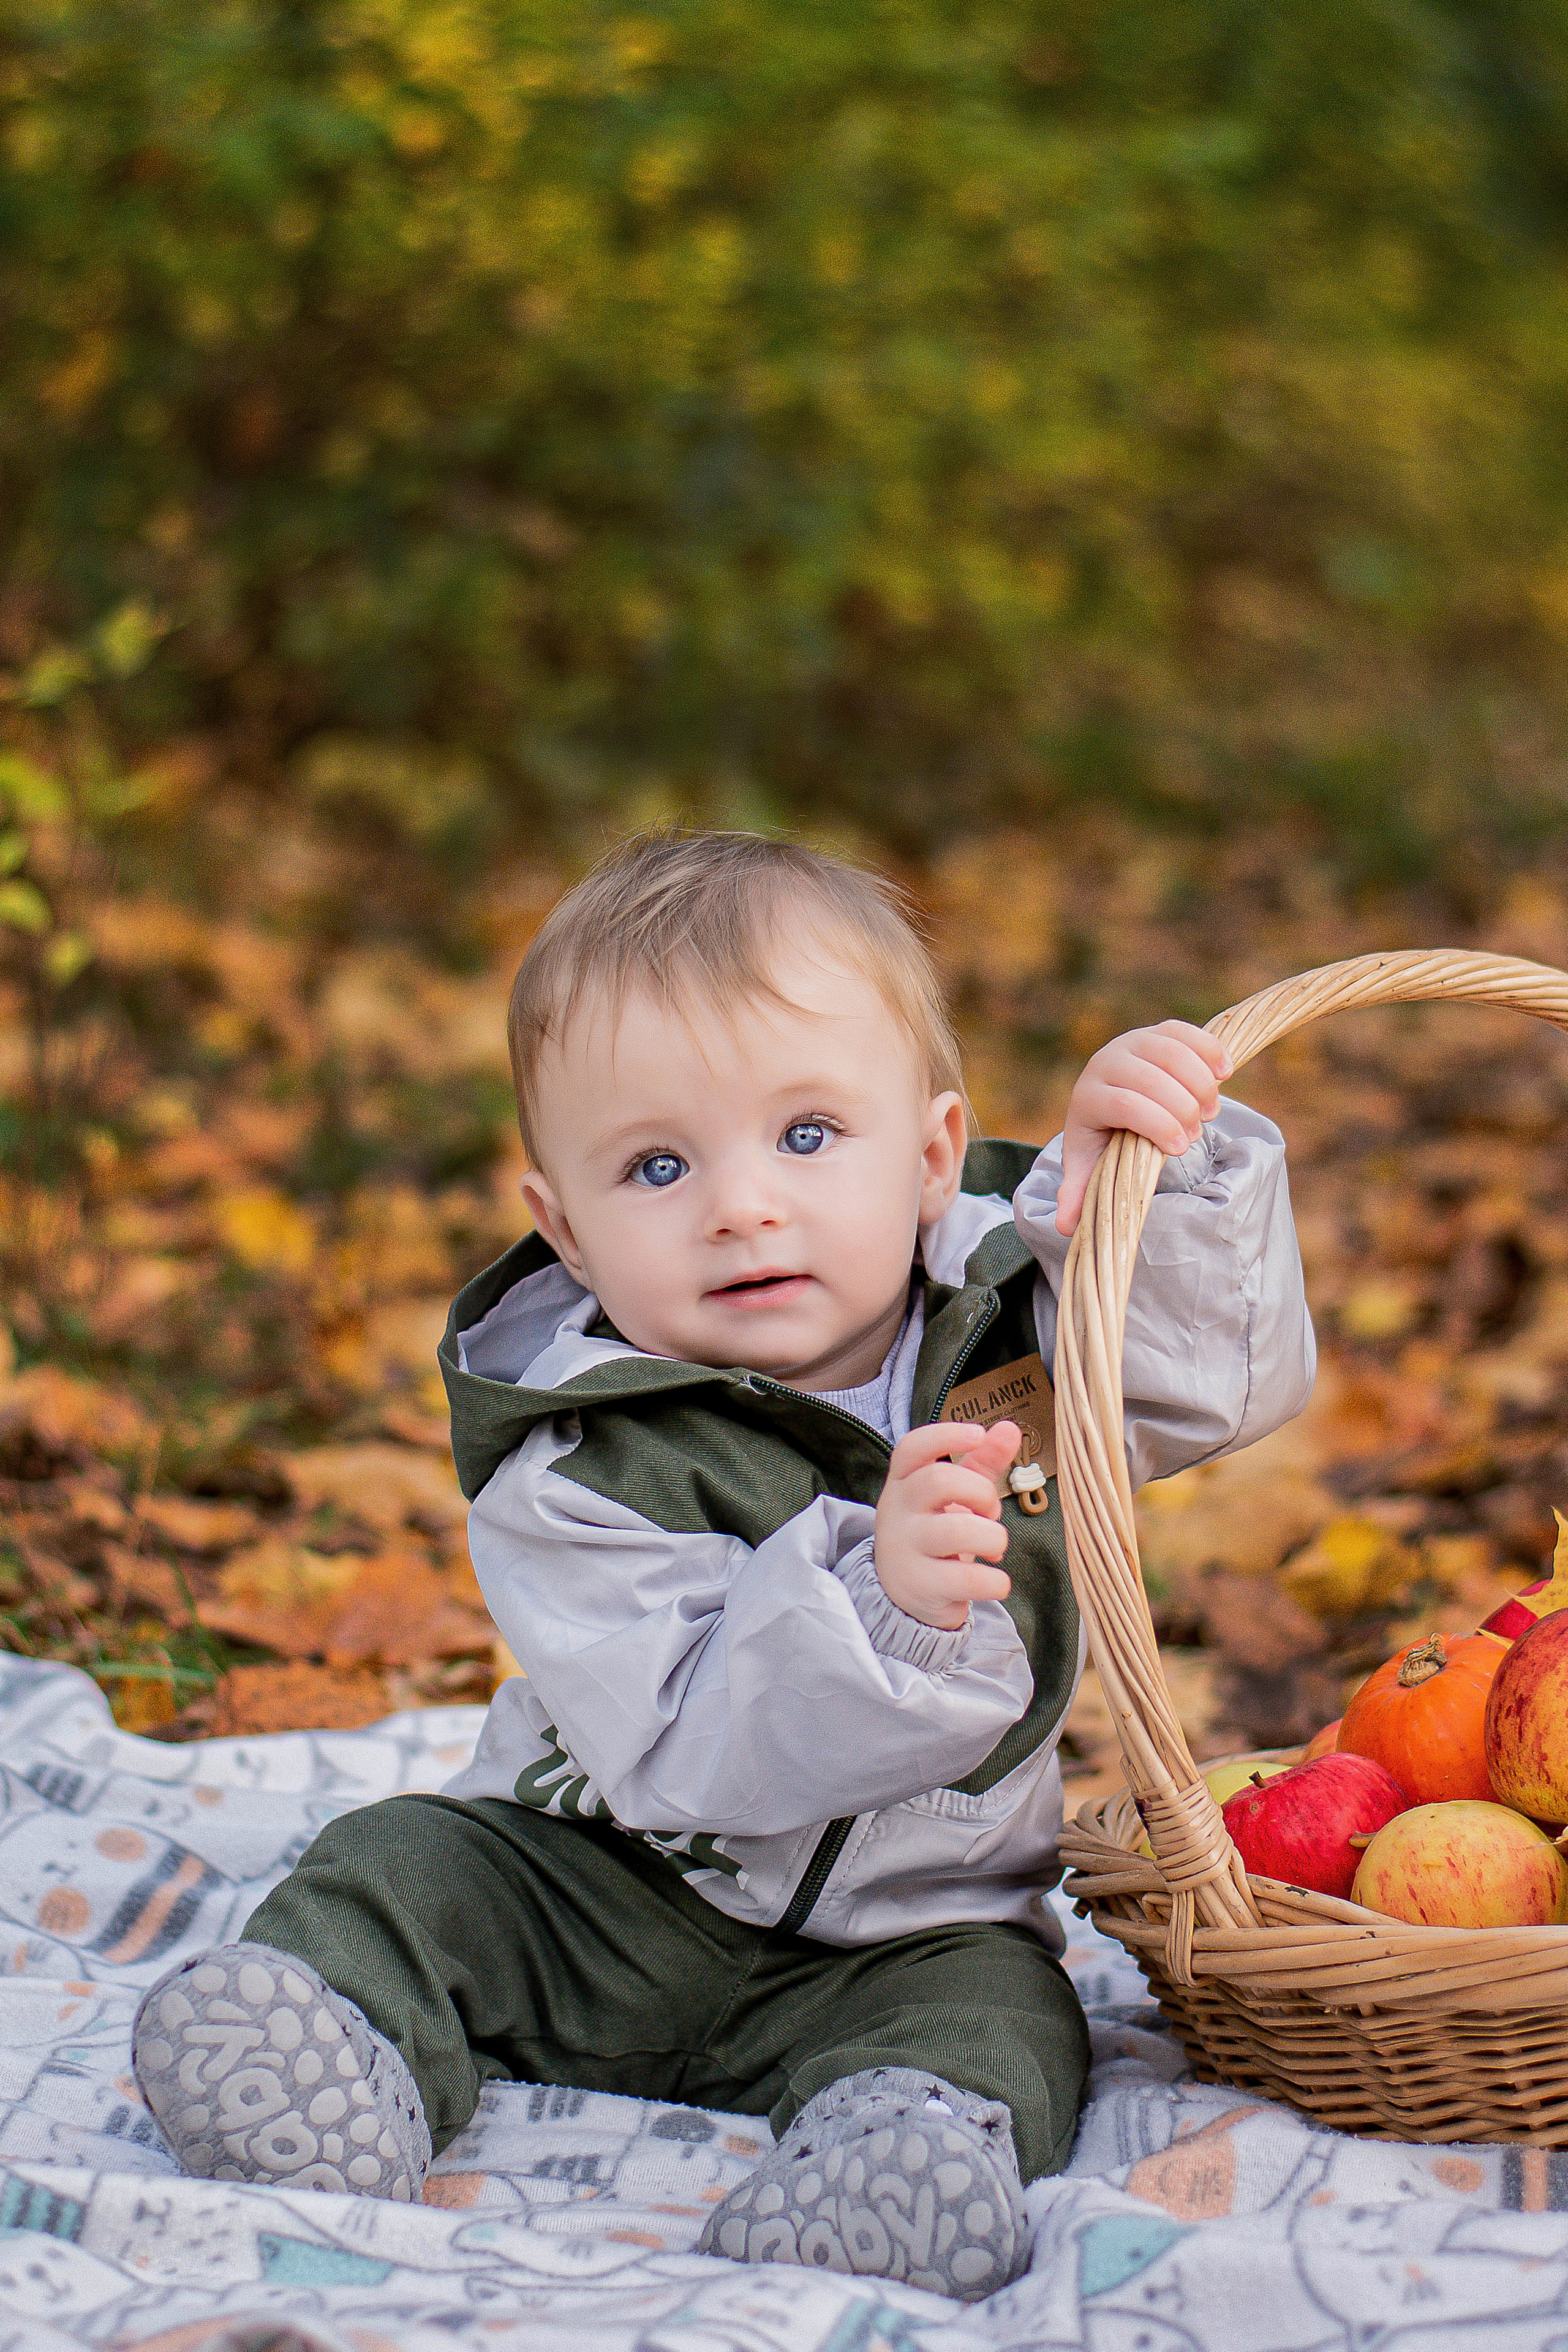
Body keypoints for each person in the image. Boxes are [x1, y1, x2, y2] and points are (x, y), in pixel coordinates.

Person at [132, 831, 1313, 2301]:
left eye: (807, 1136)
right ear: (560, 1228)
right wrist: (876, 1593)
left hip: (905, 1930)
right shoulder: (569, 1454)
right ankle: (331, 2052)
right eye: (655, 1165)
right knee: (398, 1867)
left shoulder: (1021, 1329)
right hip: (596, 1888)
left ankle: (888, 2150)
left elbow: (1214, 1381)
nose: (740, 1206)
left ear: (932, 1155)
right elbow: (692, 1749)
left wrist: (1161, 1174)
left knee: (1010, 2010)